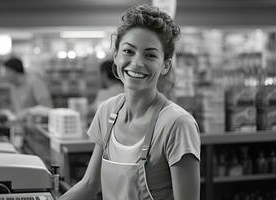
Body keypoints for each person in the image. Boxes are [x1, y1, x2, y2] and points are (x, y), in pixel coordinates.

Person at [59, 4, 200, 200]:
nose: (137, 63)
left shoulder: (177, 124)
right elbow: (90, 184)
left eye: (150, 55)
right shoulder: (107, 111)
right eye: (128, 51)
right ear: (116, 55)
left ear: (165, 65)